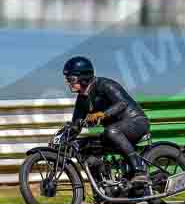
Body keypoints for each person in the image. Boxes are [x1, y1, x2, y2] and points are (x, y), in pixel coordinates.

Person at [63, 56, 150, 190]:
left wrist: (103, 114)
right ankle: (103, 191)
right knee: (87, 148)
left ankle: (140, 170)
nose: (69, 83)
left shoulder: (105, 85)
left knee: (111, 131)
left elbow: (122, 103)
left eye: (72, 79)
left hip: (135, 121)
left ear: (84, 77)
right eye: (68, 80)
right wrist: (64, 136)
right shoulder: (82, 99)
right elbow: (76, 124)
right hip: (114, 130)